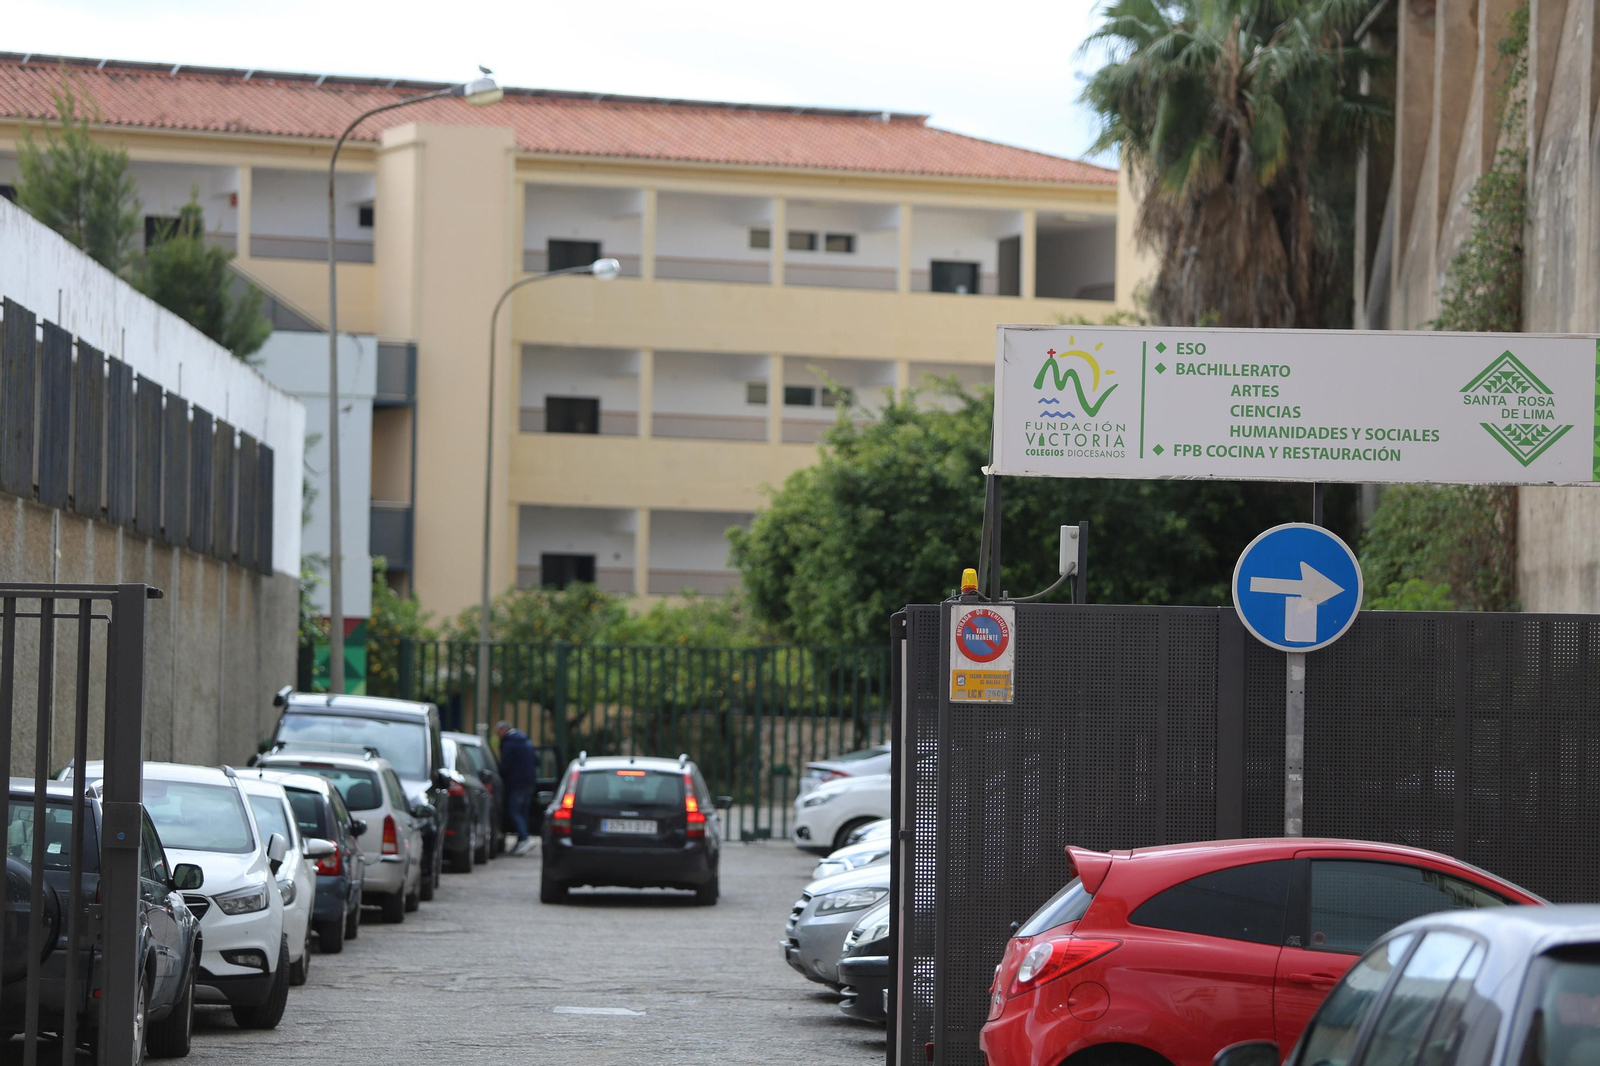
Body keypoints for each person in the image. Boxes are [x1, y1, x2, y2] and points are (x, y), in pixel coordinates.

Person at [496, 721, 539, 856]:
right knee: (523, 813)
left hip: (515, 784)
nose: (498, 737)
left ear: (503, 730)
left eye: (498, 733)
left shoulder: (509, 744)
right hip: (529, 783)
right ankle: (521, 840)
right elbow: (537, 761)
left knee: (514, 811)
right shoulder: (526, 742)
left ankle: (525, 838)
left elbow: (505, 766)